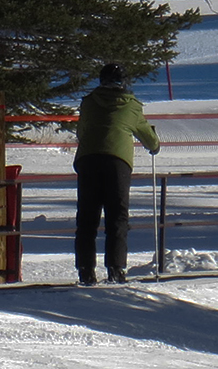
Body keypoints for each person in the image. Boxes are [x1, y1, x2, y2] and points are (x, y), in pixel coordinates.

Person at [73, 62, 160, 285]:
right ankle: (116, 268)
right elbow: (147, 136)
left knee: (87, 217)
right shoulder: (131, 106)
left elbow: (81, 131)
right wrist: (154, 144)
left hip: (89, 160)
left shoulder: (89, 102)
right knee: (117, 216)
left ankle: (86, 270)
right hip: (117, 162)